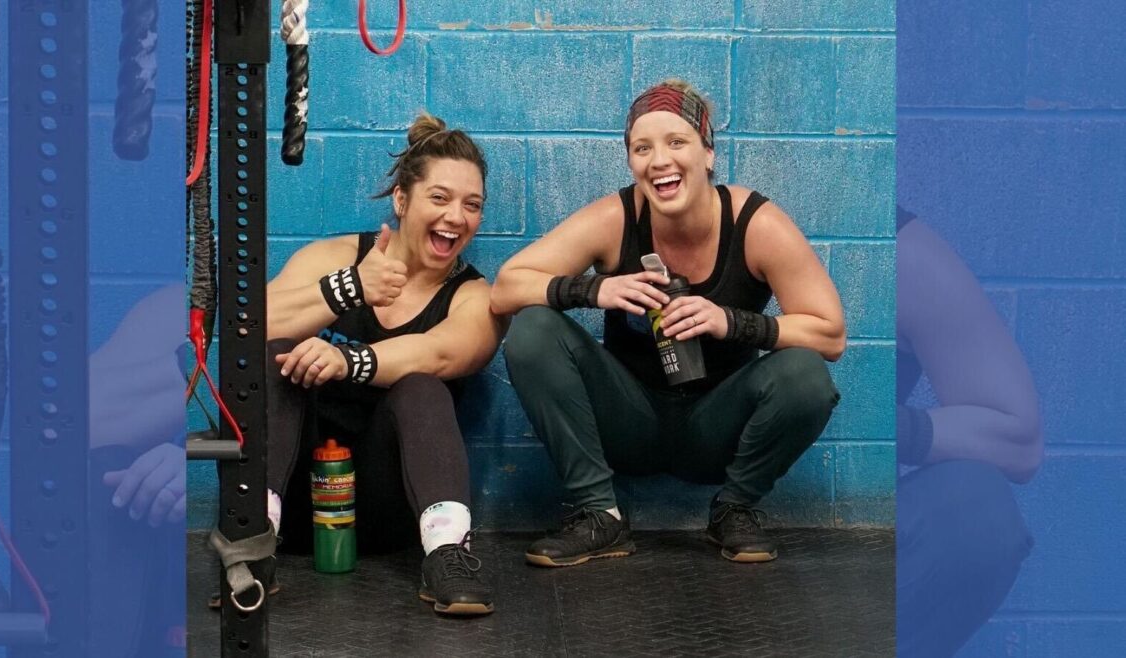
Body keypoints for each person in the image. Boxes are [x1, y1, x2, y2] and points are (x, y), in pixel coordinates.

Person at [491, 79, 845, 566]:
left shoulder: (754, 223)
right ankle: (600, 515)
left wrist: (731, 322)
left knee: (805, 374)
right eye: (642, 148)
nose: (659, 160)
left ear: (708, 153)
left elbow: (830, 334)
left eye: (676, 142)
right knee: (533, 328)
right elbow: (506, 288)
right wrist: (593, 290)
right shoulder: (617, 217)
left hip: (717, 429)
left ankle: (734, 508)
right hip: (629, 421)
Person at [249, 113, 502, 615]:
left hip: (387, 511)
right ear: (401, 200)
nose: (456, 216)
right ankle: (250, 545)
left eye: (471, 205)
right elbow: (248, 325)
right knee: (274, 355)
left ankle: (448, 554)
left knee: (422, 385)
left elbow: (441, 352)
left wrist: (348, 359)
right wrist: (347, 289)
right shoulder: (337, 257)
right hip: (296, 499)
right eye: (440, 198)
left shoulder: (472, 295)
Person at [895, 206, 1040, 656]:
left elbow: (1019, 438)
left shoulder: (898, 250)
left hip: (843, 536)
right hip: (713, 522)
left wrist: (880, 427)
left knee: (975, 507)